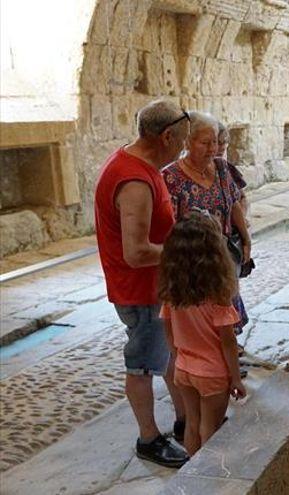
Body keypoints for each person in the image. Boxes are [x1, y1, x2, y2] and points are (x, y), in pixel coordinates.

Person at [94, 99, 190, 467]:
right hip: (141, 290)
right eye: (181, 141)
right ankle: (148, 438)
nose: (182, 148)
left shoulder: (142, 166)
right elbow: (135, 253)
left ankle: (184, 422)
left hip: (155, 287)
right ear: (166, 136)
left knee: (167, 357)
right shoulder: (134, 180)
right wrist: (186, 250)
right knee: (143, 364)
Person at [158, 212, 247, 455]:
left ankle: (192, 470)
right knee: (211, 427)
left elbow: (168, 332)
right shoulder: (218, 297)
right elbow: (228, 342)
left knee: (192, 424)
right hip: (212, 372)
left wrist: (179, 358)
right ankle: (208, 478)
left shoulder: (173, 295)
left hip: (184, 369)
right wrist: (236, 378)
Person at [161, 112, 251, 339]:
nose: (212, 148)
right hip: (194, 260)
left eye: (215, 142)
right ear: (188, 143)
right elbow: (169, 224)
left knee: (226, 312)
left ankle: (229, 354)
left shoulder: (221, 167)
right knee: (203, 319)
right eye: (205, 143)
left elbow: (234, 203)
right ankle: (210, 361)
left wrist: (246, 238)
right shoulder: (171, 177)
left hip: (226, 255)